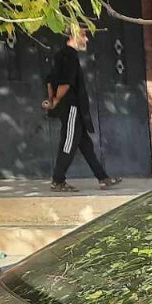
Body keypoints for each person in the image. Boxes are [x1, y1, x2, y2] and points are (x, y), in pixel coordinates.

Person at [43, 25, 122, 192]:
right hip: (71, 107)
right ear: (73, 35)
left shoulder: (60, 55)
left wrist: (52, 100)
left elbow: (50, 80)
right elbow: (65, 82)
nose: (86, 39)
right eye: (83, 35)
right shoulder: (70, 56)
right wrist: (56, 101)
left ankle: (103, 178)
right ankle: (58, 180)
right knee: (68, 142)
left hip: (73, 108)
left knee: (85, 145)